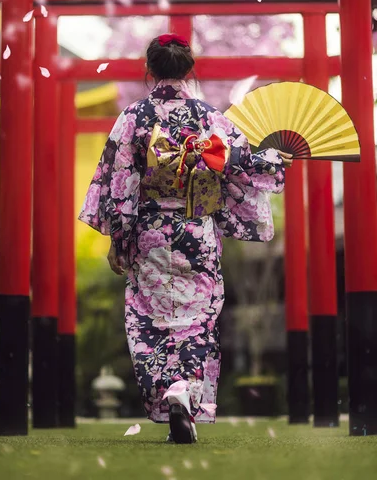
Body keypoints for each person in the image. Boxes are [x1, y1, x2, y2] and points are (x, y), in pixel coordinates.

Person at [78, 34, 293, 444]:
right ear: (188, 69)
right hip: (198, 232)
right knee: (197, 319)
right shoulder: (211, 117)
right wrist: (275, 159)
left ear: (150, 70)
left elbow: (120, 184)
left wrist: (118, 241)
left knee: (147, 315)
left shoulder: (133, 117)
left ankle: (166, 387)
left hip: (149, 233)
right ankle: (186, 389)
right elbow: (241, 162)